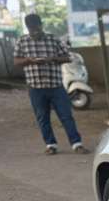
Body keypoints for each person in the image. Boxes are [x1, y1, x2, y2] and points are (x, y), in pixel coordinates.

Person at [14, 14, 89, 155]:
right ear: (27, 28)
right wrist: (29, 60)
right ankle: (51, 145)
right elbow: (16, 61)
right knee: (42, 118)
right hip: (35, 88)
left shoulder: (53, 39)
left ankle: (77, 144)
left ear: (41, 25)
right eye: (31, 29)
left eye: (37, 28)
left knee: (66, 116)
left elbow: (67, 57)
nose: (34, 32)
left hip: (55, 86)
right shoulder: (22, 41)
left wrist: (53, 58)